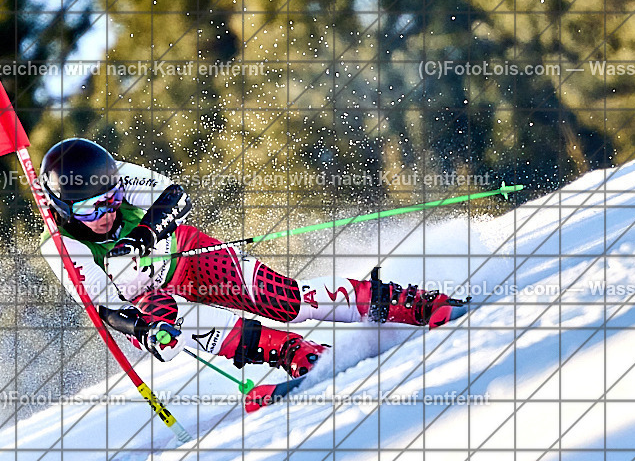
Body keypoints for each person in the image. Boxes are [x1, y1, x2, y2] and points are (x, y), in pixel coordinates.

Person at [38, 139, 459, 395]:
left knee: (283, 298)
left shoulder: (116, 175)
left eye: (112, 198)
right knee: (177, 328)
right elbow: (106, 309)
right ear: (64, 209)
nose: (108, 211)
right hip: (148, 298)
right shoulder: (61, 246)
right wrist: (144, 332)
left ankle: (403, 301)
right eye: (93, 208)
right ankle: (298, 355)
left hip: (185, 255)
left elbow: (176, 198)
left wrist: (145, 235)